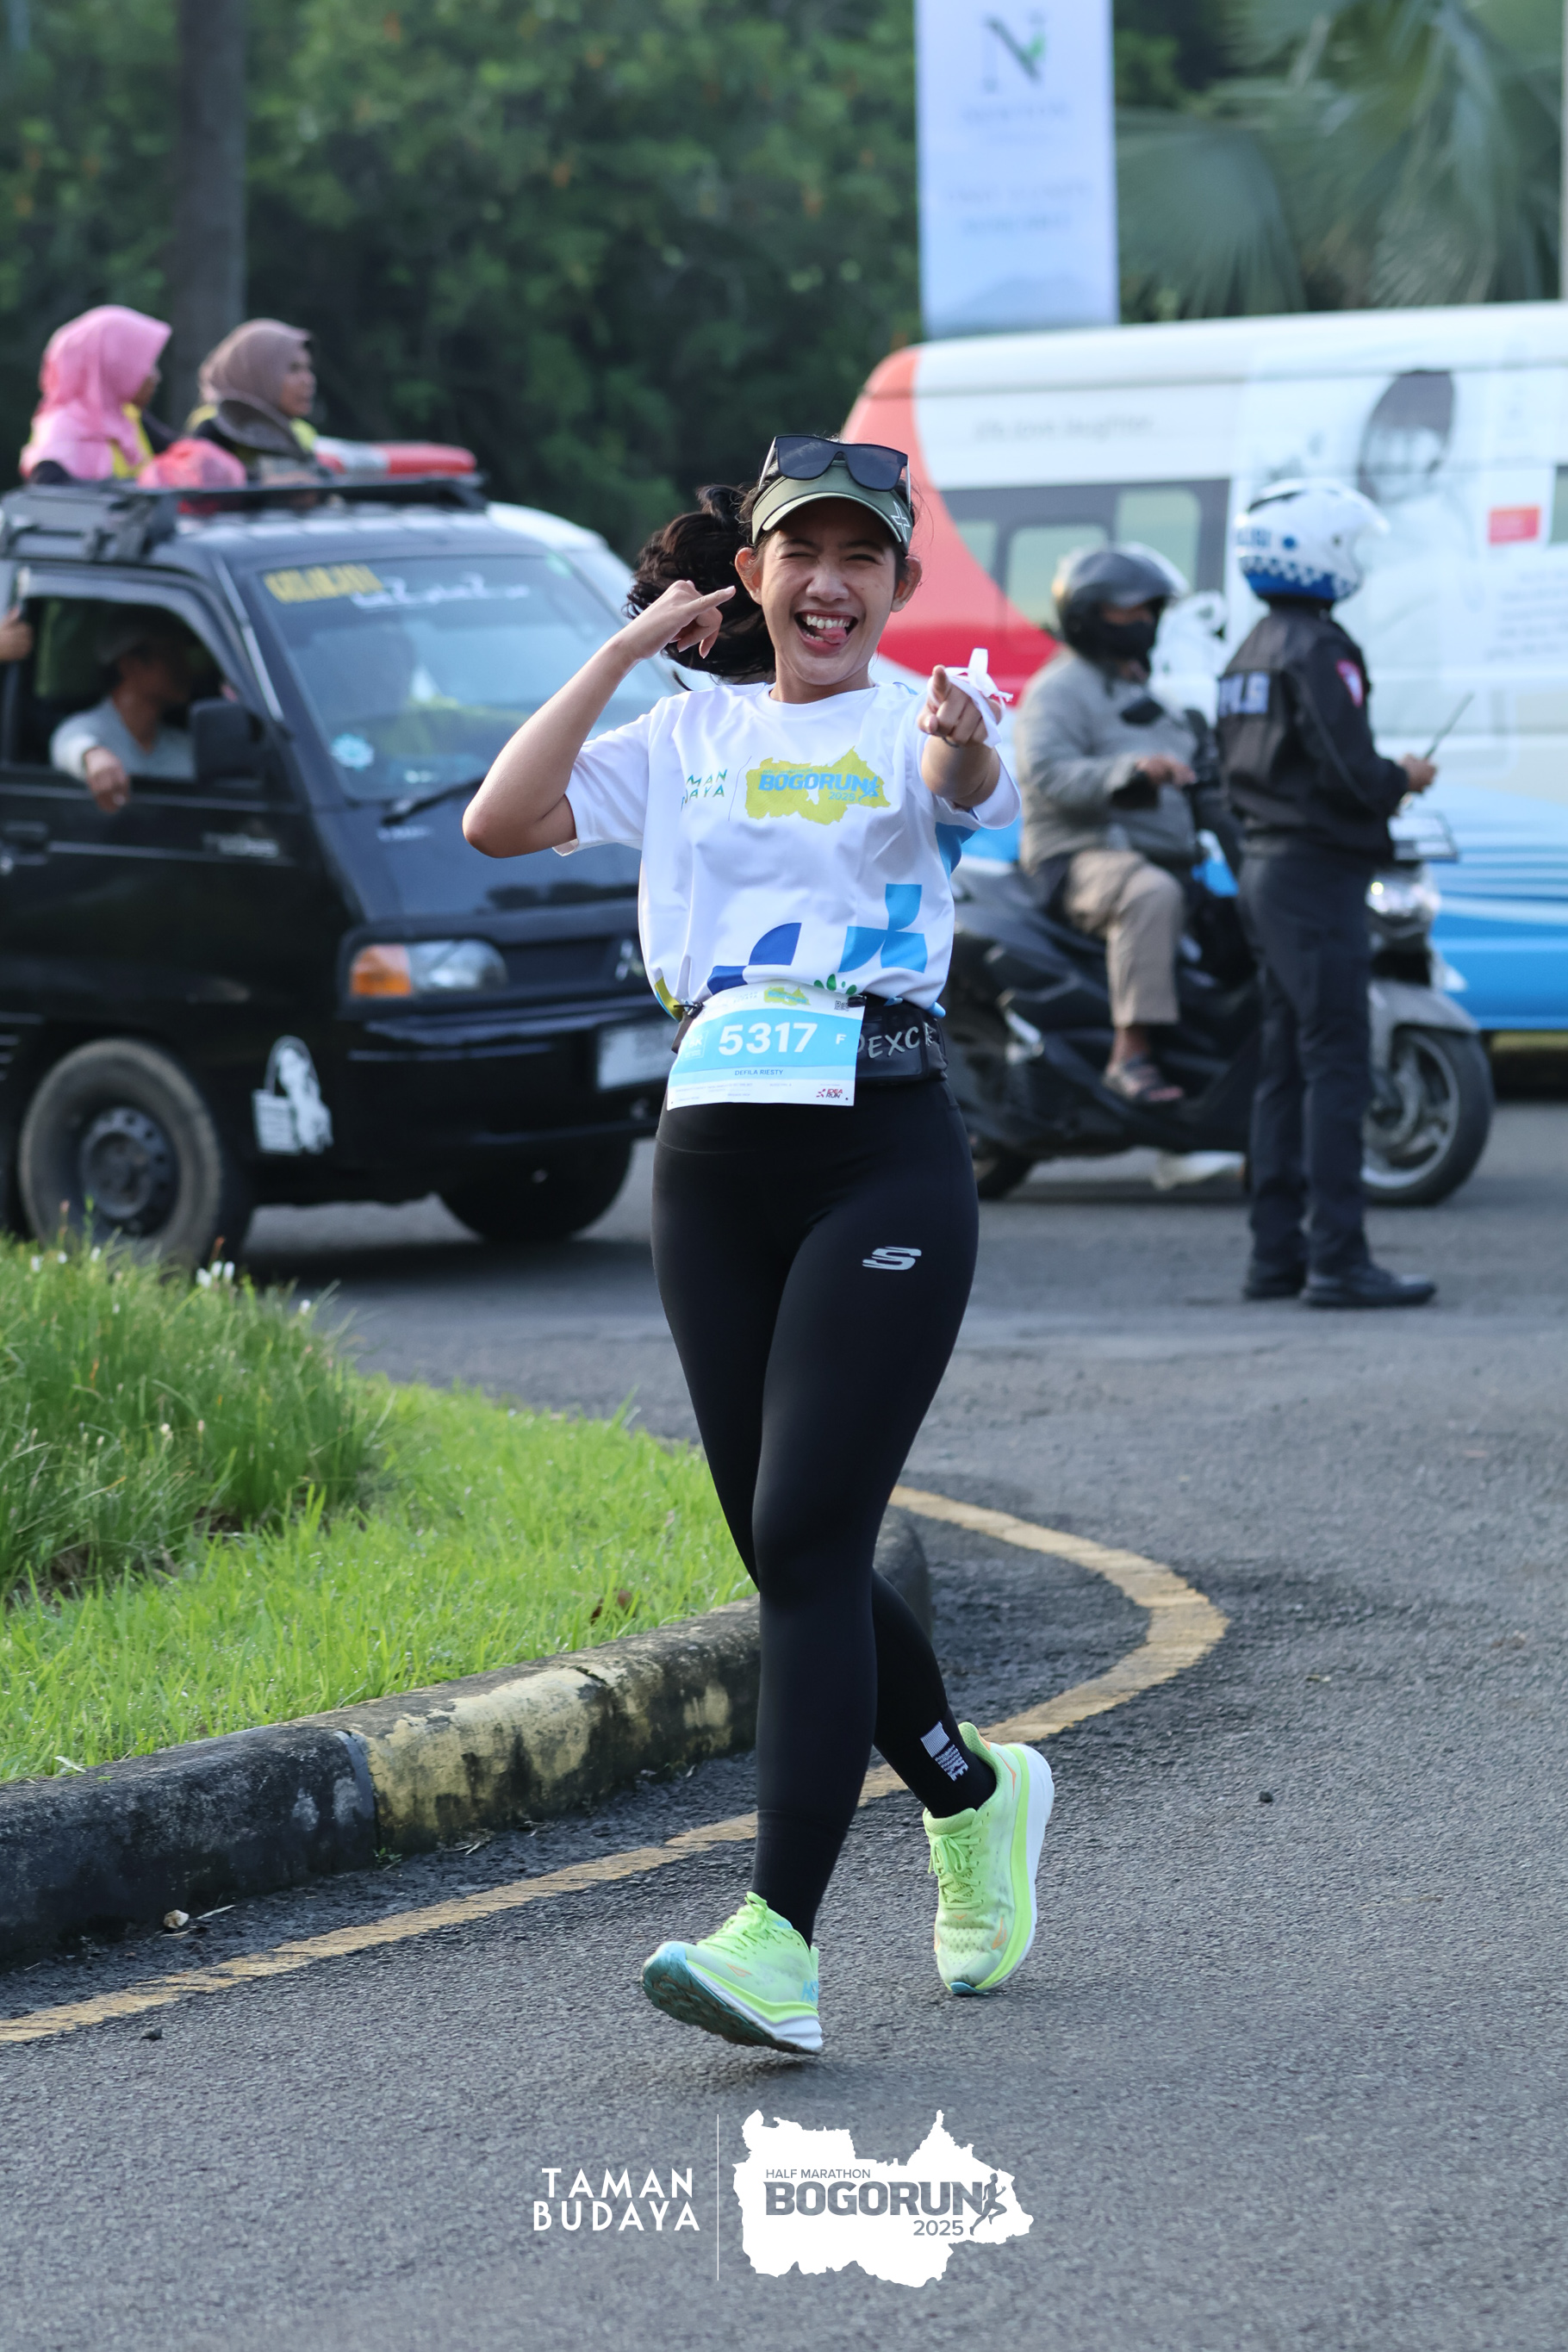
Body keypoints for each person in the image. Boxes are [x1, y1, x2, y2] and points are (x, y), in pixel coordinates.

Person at [463, 437, 1054, 2055]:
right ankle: (971, 1792)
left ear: (901, 584)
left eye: (865, 558)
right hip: (712, 1157)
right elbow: (500, 821)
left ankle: (777, 1940)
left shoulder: (930, 715)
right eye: (805, 552)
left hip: (883, 1152)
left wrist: (959, 750)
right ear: (755, 574)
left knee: (804, 1527)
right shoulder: (686, 734)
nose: (831, 583)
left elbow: (969, 792)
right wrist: (625, 648)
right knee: (789, 1550)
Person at [1218, 478, 1437, 1310]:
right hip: (1315, 877)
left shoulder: (1248, 649)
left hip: (1265, 871)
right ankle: (1340, 1260)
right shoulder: (1319, 648)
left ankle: (1276, 1257)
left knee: (1283, 1068)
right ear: (1318, 554)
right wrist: (1402, 778)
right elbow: (1349, 770)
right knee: (1337, 1065)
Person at [1014, 543, 1232, 1104]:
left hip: (1156, 857)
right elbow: (1046, 774)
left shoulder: (1141, 690)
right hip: (1079, 856)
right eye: (1128, 611)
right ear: (1088, 615)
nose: (1144, 623)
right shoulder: (1059, 689)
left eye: (1149, 611)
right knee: (1150, 895)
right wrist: (1131, 770)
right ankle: (1129, 1055)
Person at [50, 612, 198, 813]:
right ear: (130, 665)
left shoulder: (184, 748)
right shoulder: (90, 731)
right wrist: (93, 756)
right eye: (171, 654)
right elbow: (67, 740)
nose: (186, 667)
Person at [19, 306, 173, 484]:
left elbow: (183, 451)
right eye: (144, 363)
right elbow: (48, 493)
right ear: (111, 366)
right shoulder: (60, 434)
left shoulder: (127, 418)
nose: (155, 376)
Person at [188, 320, 326, 479]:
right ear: (256, 371)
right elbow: (201, 480)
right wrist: (266, 483)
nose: (309, 380)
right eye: (293, 369)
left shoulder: (300, 430)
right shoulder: (219, 422)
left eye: (308, 368)